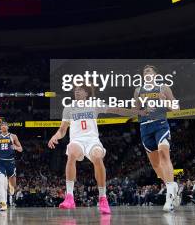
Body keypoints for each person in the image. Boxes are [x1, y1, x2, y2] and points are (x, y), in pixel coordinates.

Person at [48, 85, 141, 215]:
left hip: (92, 140)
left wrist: (136, 112)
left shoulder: (95, 104)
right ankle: (69, 197)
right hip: (77, 140)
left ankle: (103, 198)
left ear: (86, 93)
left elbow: (117, 110)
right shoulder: (68, 108)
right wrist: (55, 136)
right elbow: (63, 130)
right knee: (72, 152)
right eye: (76, 90)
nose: (77, 92)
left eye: (80, 90)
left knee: (97, 157)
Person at [134, 65, 179, 211]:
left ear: (155, 75)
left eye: (149, 71)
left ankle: (169, 198)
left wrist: (165, 101)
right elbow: (137, 111)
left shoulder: (163, 88)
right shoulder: (138, 91)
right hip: (145, 127)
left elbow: (176, 108)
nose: (146, 73)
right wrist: (142, 111)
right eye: (144, 71)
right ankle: (172, 186)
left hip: (160, 125)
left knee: (164, 155)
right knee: (156, 168)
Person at [0, 121, 23, 211]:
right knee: (1, 183)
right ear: (0, 128)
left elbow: (21, 149)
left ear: (8, 127)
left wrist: (15, 147)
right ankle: (3, 203)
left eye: (5, 125)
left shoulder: (13, 136)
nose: (3, 126)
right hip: (1, 163)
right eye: (2, 125)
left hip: (11, 163)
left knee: (12, 186)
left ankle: (11, 190)